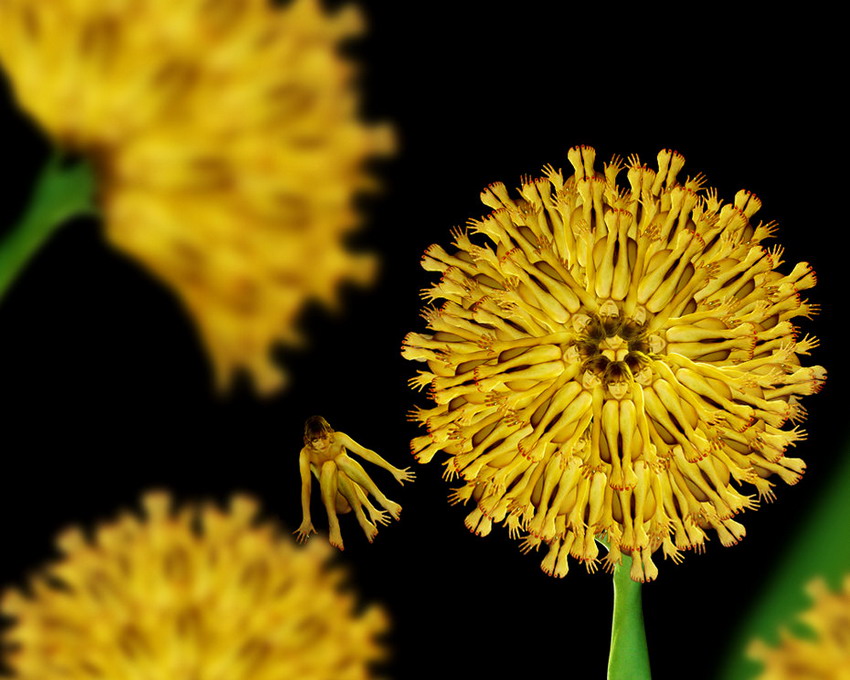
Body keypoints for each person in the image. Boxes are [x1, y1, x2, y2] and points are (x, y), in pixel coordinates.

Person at [294, 416, 415, 550]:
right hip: (337, 502)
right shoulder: (306, 453)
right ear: (309, 440)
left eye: (324, 437)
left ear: (329, 432)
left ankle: (381, 500)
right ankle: (334, 523)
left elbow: (366, 453)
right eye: (315, 440)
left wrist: (393, 470)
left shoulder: (338, 438)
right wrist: (306, 518)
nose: (321, 444)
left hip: (359, 494)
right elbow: (306, 486)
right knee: (329, 466)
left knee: (341, 460)